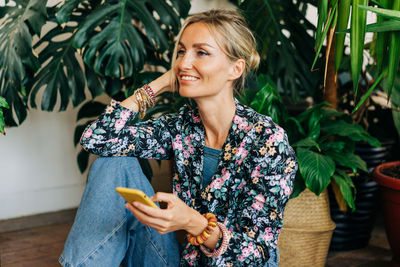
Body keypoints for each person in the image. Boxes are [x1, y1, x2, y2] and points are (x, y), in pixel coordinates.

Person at [59, 9, 297, 267]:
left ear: (235, 68)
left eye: (201, 52)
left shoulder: (268, 142)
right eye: (182, 51)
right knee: (113, 164)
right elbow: (97, 139)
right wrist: (157, 85)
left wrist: (193, 223)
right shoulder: (182, 127)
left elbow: (255, 254)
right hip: (183, 261)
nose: (183, 63)